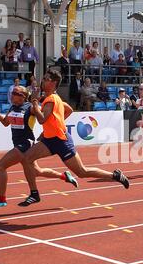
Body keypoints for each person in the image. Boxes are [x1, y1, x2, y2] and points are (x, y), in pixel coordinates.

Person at [19, 69, 130, 206]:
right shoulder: (54, 98)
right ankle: (34, 194)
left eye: (46, 79)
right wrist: (56, 124)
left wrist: (34, 101)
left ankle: (114, 175)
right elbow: (69, 110)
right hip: (49, 139)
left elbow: (41, 120)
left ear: (53, 83)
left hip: (61, 141)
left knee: (82, 172)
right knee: (27, 158)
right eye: (44, 78)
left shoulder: (52, 99)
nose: (43, 81)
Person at [0, 85, 78, 208]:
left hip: (26, 143)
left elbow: (48, 115)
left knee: (1, 166)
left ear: (23, 97)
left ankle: (2, 199)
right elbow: (5, 123)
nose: (12, 94)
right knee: (37, 172)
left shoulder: (31, 108)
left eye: (16, 93)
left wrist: (51, 126)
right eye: (12, 92)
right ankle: (64, 176)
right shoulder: (13, 107)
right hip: (17, 143)